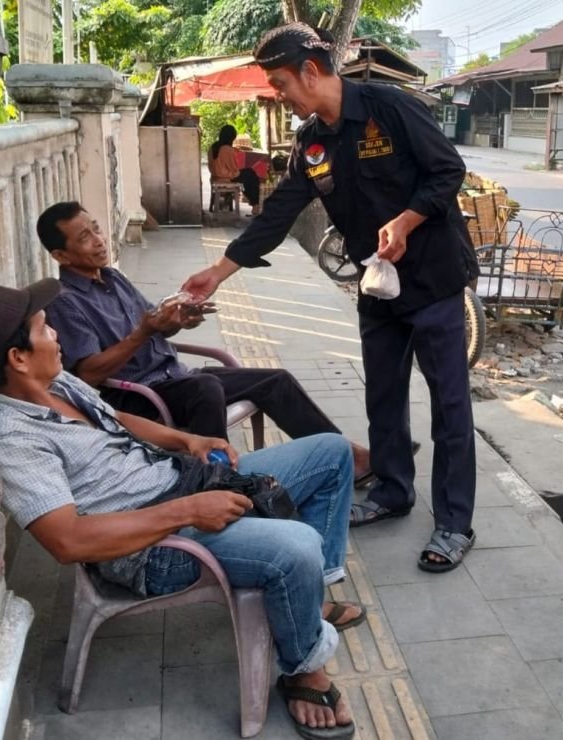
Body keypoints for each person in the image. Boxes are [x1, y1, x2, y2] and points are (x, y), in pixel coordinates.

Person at [0, 278, 359, 739]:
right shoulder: (16, 438)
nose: (56, 334)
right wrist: (188, 512)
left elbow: (117, 418)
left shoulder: (57, 382)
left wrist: (188, 439)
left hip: (182, 482)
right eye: (44, 329)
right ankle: (303, 668)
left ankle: (307, 605)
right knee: (296, 546)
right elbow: (67, 541)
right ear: (18, 358)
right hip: (153, 547)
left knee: (332, 452)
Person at [182, 23, 479, 573]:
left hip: (434, 279)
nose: (279, 95)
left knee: (450, 404)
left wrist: (408, 219)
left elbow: (448, 171)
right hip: (378, 284)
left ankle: (455, 522)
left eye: (280, 83)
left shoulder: (391, 109)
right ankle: (392, 490)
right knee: (383, 396)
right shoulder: (312, 142)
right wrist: (220, 271)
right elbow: (279, 211)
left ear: (311, 73)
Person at [36, 201, 374, 485]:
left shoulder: (112, 277)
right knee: (206, 388)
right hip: (137, 395)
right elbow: (89, 374)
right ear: (61, 256)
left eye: (96, 229)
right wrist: (144, 332)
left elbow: (154, 325)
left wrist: (178, 319)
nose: (98, 240)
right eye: (84, 237)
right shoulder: (66, 301)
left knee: (276, 381)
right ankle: (223, 484)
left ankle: (347, 455)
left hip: (176, 377)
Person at [208, 124, 262, 215]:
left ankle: (254, 203)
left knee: (248, 176)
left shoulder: (213, 147)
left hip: (215, 176)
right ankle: (255, 204)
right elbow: (234, 168)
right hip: (226, 177)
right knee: (250, 175)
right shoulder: (227, 149)